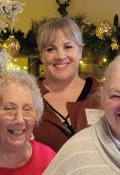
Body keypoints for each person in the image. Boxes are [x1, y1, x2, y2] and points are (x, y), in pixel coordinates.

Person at [33, 17, 101, 152]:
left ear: (80, 51)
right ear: (41, 55)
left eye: (68, 47)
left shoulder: (102, 97)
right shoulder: (27, 97)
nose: (60, 56)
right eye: (50, 49)